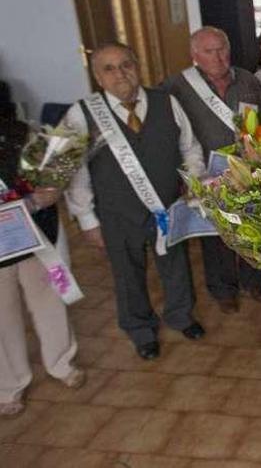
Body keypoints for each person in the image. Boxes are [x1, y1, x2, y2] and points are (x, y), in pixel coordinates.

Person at [65, 42, 206, 360]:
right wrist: (87, 219)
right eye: (109, 68)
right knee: (127, 274)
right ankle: (141, 330)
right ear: (98, 77)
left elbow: (191, 147)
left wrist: (192, 182)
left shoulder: (166, 102)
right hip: (116, 213)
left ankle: (181, 316)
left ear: (138, 66)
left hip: (166, 205)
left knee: (175, 265)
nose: (120, 74)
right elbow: (76, 173)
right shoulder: (82, 113)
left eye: (126, 64)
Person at [162, 27, 261, 314]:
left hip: (246, 167)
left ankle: (254, 279)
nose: (218, 57)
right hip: (205, 171)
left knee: (250, 226)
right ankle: (223, 289)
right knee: (215, 233)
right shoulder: (176, 87)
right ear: (195, 55)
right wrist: (183, 176)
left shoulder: (247, 80)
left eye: (222, 49)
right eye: (209, 51)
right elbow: (169, 135)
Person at [1, 85, 85, 416]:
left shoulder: (24, 133)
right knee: (2, 313)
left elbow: (54, 168)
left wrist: (48, 192)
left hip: (36, 235)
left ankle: (62, 362)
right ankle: (9, 385)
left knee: (49, 299)